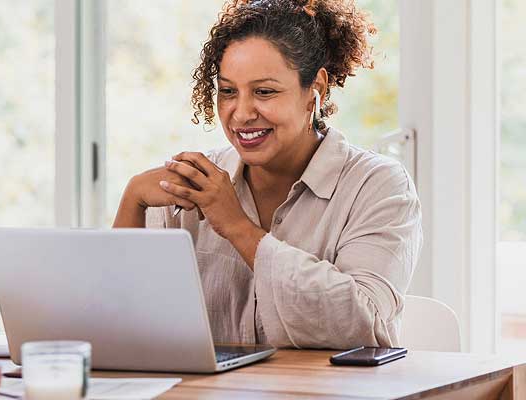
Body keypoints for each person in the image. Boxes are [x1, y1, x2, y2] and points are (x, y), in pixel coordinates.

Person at [113, 0, 422, 349]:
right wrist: (132, 200)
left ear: (315, 91)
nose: (241, 113)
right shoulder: (187, 186)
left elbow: (364, 325)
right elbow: (115, 325)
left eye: (264, 92)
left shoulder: (378, 187)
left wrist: (236, 226)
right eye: (228, 91)